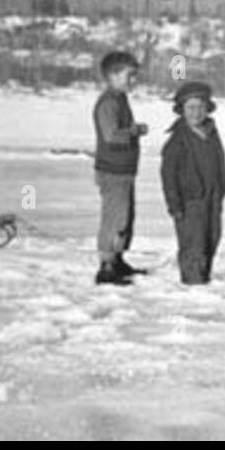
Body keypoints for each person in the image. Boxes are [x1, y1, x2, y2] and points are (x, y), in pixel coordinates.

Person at [160, 81, 225, 285]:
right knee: (193, 243)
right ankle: (193, 283)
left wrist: (222, 188)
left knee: (212, 238)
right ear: (181, 110)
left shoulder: (212, 133)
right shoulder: (176, 141)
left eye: (200, 107)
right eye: (190, 108)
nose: (196, 113)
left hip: (212, 196)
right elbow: (168, 175)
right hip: (190, 201)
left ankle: (204, 277)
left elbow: (220, 161)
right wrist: (174, 204)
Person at [92, 50, 149, 286]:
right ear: (113, 76)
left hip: (124, 171)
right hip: (113, 172)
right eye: (129, 75)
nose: (133, 81)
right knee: (115, 218)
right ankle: (106, 265)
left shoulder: (120, 99)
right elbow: (111, 135)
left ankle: (117, 259)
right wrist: (134, 132)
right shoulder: (108, 103)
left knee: (125, 217)